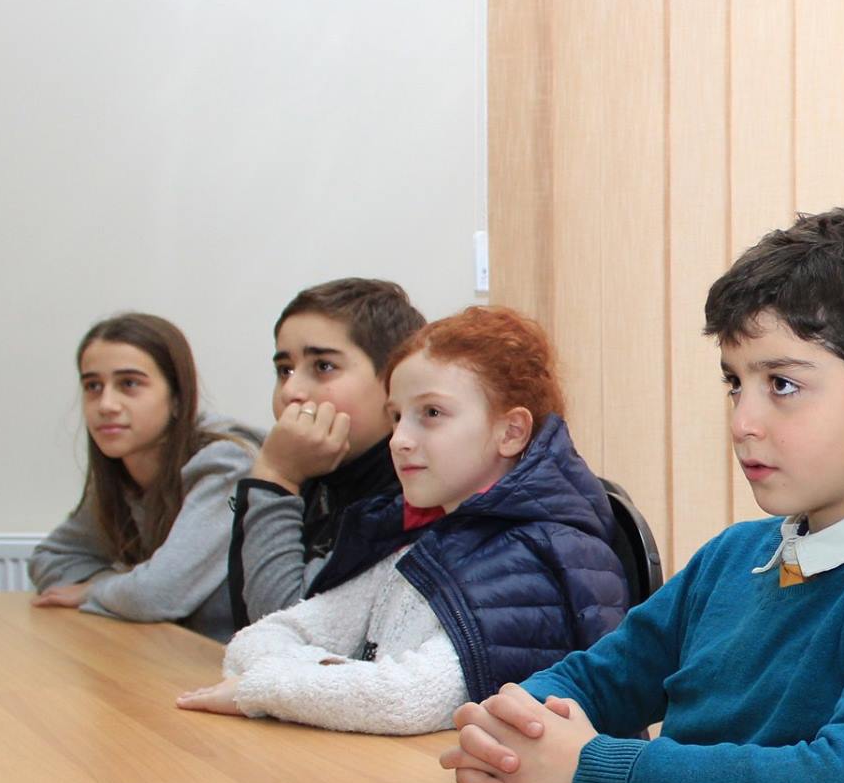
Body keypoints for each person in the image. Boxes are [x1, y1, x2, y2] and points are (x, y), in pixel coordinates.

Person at [439, 209, 844, 783]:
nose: (742, 422)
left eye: (782, 385)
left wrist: (591, 772)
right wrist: (511, 735)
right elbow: (598, 680)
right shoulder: (736, 557)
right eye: (735, 383)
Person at [177, 306, 627, 733]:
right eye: (396, 417)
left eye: (431, 413)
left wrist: (267, 688)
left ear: (510, 432)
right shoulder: (424, 539)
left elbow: (406, 698)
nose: (399, 440)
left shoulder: (535, 558)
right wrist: (331, 677)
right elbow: (263, 636)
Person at [30, 313, 260, 641]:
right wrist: (119, 587)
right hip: (169, 650)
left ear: (178, 397)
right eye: (93, 386)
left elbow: (159, 594)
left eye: (129, 384)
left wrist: (93, 590)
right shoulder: (123, 468)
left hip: (241, 659)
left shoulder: (228, 462)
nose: (106, 404)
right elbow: (51, 557)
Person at [226, 277, 426, 630]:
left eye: (323, 366)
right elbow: (245, 622)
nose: (291, 390)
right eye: (284, 370)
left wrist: (276, 477)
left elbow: (277, 630)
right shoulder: (311, 468)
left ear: (394, 382)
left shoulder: (413, 494)